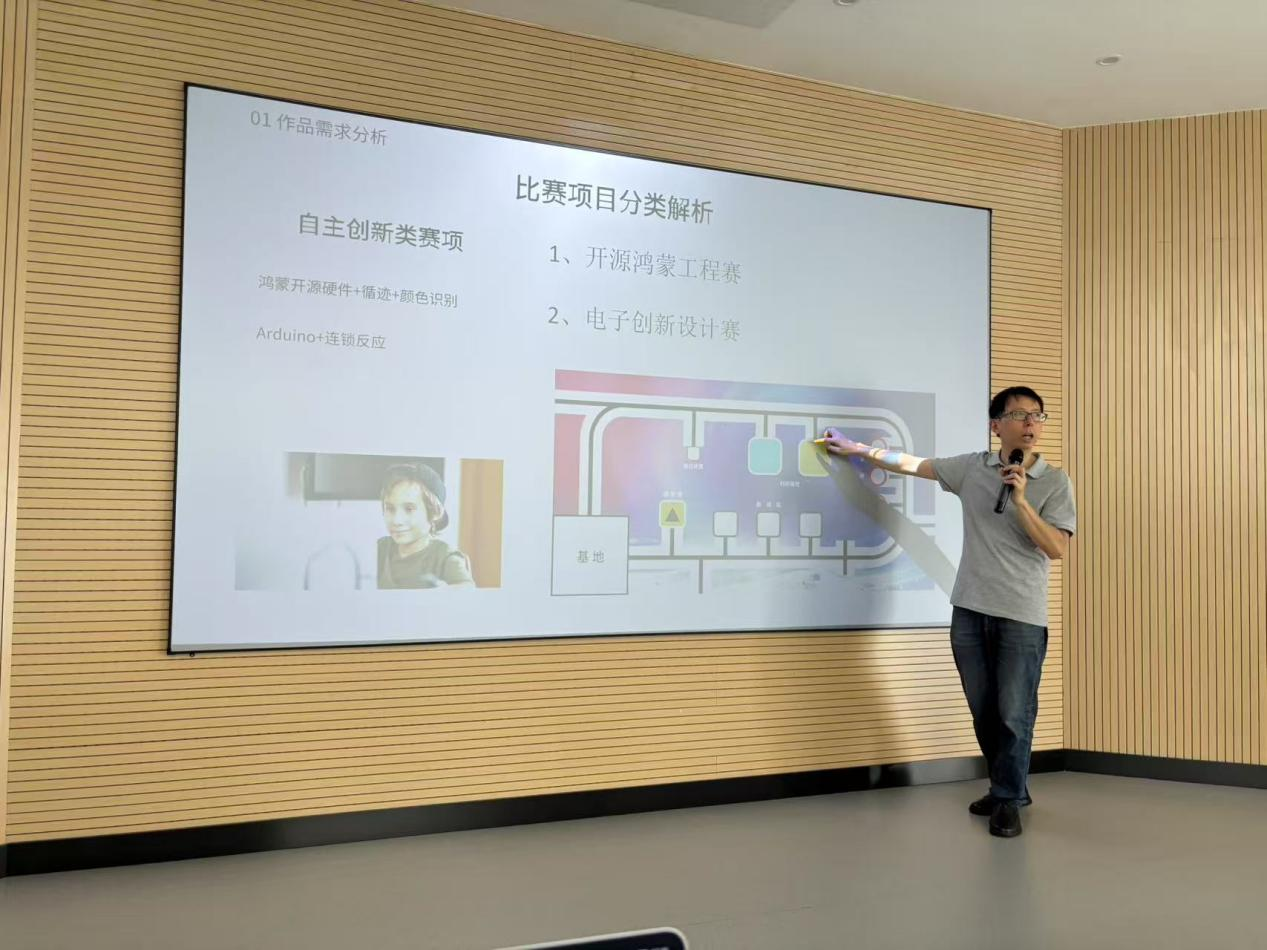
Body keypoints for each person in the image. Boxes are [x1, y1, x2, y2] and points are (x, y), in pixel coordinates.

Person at [822, 386, 1076, 838]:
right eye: (1019, 415)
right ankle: (1008, 787)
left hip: (1021, 615)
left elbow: (1056, 547)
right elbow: (912, 464)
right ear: (996, 425)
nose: (1030, 424)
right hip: (970, 611)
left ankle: (1006, 799)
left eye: (1037, 416)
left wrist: (1020, 502)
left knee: (1014, 713)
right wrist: (857, 449)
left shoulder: (1054, 482)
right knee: (983, 710)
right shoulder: (972, 469)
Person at [376, 462, 475, 589]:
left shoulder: (445, 557)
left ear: (435, 512)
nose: (397, 520)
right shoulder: (380, 549)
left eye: (409, 509)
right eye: (390, 509)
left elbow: (467, 588)